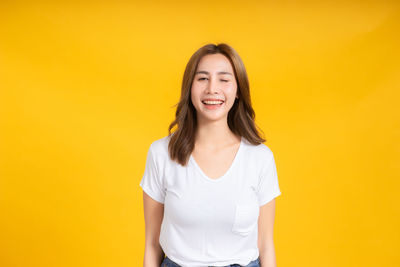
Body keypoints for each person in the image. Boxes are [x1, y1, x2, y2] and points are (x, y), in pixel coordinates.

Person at [140, 43, 282, 267]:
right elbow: (152, 244)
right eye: (202, 78)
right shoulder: (161, 154)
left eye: (224, 80)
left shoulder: (260, 158)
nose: (212, 89)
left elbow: (266, 244)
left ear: (237, 91)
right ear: (189, 88)